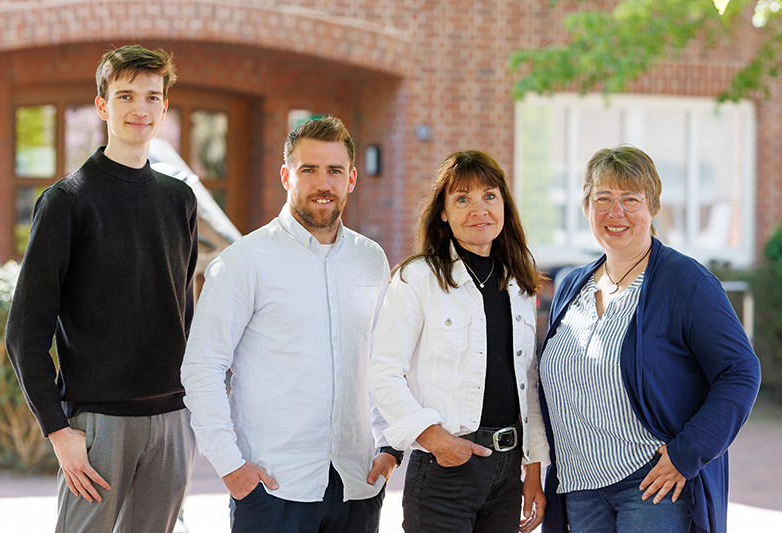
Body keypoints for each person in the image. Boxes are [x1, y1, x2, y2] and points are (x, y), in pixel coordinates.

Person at [6, 45, 198, 533]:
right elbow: (25, 334)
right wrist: (58, 431)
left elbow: (185, 314)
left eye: (152, 97)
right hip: (98, 428)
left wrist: (196, 414)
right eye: (126, 95)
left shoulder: (180, 200)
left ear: (164, 108)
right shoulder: (67, 202)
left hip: (173, 421)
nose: (140, 109)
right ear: (102, 104)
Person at [180, 116, 395, 533]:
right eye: (308, 169)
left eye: (334, 170)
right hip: (272, 487)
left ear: (351, 178)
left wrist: (387, 446)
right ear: (286, 176)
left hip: (358, 484)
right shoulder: (245, 261)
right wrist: (230, 465)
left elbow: (380, 361)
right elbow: (201, 368)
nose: (323, 183)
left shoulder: (372, 260)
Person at [538, 145, 761, 533]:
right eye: (603, 198)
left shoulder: (686, 282)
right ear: (587, 207)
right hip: (579, 485)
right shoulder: (570, 285)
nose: (615, 212)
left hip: (651, 484)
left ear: (653, 207)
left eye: (630, 199)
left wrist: (686, 454)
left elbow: (740, 371)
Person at [368, 150, 551, 533]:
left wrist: (533, 466)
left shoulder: (518, 284)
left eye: (490, 196)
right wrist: (435, 439)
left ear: (504, 205)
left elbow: (527, 380)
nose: (479, 209)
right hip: (445, 469)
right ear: (444, 213)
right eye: (462, 199)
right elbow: (382, 373)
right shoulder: (416, 279)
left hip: (506, 472)